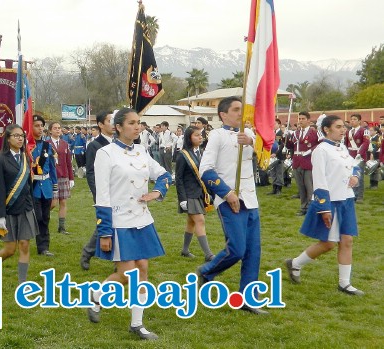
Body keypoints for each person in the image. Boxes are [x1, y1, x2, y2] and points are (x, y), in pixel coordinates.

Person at [86, 107, 172, 340]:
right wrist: (104, 232)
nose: (137, 127)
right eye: (132, 123)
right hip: (118, 220)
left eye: (139, 123)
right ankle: (97, 295)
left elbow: (165, 175)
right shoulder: (105, 153)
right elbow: (102, 195)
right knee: (126, 274)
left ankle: (137, 323)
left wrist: (157, 192)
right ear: (118, 127)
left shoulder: (142, 151)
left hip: (142, 220)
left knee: (143, 269)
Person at [195, 96, 268, 315]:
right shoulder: (217, 136)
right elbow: (205, 170)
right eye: (236, 109)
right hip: (229, 199)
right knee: (237, 248)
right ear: (223, 115)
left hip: (250, 199)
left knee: (253, 251)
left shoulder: (250, 134)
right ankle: (207, 271)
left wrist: (253, 143)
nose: (240, 113)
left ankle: (249, 298)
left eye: (241, 109)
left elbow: (266, 155)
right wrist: (226, 193)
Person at [285, 115, 364, 296]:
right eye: (338, 127)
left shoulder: (342, 147)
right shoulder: (320, 150)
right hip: (330, 201)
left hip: (346, 200)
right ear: (327, 129)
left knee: (347, 240)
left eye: (343, 126)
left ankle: (345, 283)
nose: (343, 130)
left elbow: (354, 166)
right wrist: (324, 207)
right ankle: (295, 264)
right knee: (328, 244)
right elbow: (319, 181)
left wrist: (355, 177)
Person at [0, 124, 39, 284]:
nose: (20, 139)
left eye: (22, 136)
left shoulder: (26, 157)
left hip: (26, 208)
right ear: (8, 138)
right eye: (16, 136)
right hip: (9, 209)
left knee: (25, 245)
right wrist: (0, 216)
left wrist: (33, 205)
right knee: (10, 249)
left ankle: (22, 282)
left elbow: (28, 185)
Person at [80, 111, 114, 270]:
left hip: (120, 190)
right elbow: (91, 172)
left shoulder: (119, 143)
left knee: (119, 225)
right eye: (109, 120)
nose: (113, 123)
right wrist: (98, 193)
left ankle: (120, 262)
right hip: (104, 192)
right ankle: (88, 252)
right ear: (101, 125)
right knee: (105, 224)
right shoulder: (95, 145)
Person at [175, 126, 215, 261]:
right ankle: (208, 254)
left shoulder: (201, 152)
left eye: (201, 135)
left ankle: (185, 250)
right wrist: (182, 199)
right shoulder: (183, 155)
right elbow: (179, 178)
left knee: (191, 223)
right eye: (197, 135)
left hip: (200, 193)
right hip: (189, 194)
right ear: (189, 138)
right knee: (199, 220)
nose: (200, 137)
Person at [31, 115, 58, 257]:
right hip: (33, 187)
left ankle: (43, 247)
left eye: (42, 125)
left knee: (45, 218)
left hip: (46, 187)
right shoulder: (26, 146)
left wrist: (55, 191)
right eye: (36, 125)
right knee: (38, 217)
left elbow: (52, 169)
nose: (40, 128)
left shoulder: (47, 146)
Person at [286, 111, 319, 216]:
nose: (300, 121)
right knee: (301, 187)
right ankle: (303, 207)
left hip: (308, 161)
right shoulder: (296, 133)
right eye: (299, 118)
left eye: (303, 118)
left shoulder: (313, 132)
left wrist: (310, 151)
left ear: (308, 120)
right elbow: (290, 146)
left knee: (309, 186)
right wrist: (286, 139)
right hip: (297, 161)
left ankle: (311, 207)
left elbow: (320, 144)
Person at [47, 121, 75, 235]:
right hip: (51, 177)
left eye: (59, 128)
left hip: (63, 176)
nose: (58, 130)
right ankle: (41, 218)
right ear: (50, 130)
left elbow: (68, 162)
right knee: (52, 203)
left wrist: (71, 178)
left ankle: (62, 227)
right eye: (55, 128)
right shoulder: (46, 143)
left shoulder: (64, 144)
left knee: (63, 202)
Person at [344, 114, 369, 202]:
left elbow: (366, 143)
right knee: (350, 175)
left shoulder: (364, 130)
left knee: (359, 176)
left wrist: (360, 153)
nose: (352, 121)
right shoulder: (348, 131)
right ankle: (352, 194)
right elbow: (346, 144)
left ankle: (359, 196)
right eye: (351, 119)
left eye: (355, 119)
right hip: (350, 155)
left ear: (359, 121)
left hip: (360, 156)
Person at [267, 119, 286, 195]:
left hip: (279, 156)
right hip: (271, 155)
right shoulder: (271, 133)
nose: (273, 125)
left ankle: (279, 188)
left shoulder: (280, 133)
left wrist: (276, 153)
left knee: (279, 172)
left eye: (275, 124)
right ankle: (274, 187)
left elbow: (281, 145)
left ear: (279, 124)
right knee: (273, 172)